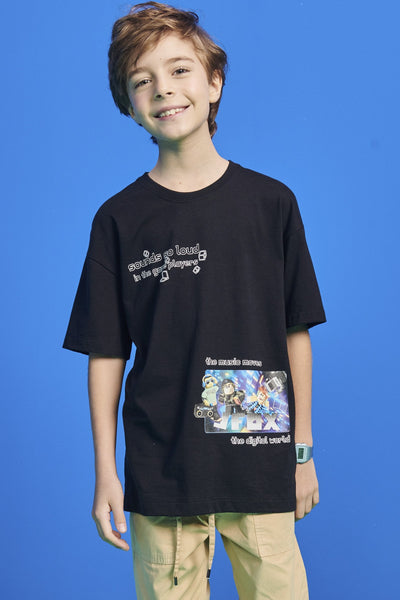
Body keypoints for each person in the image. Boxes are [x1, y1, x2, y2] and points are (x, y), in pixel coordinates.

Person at [63, 2, 326, 598]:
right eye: (142, 80)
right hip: (162, 464)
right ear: (130, 105)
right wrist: (106, 471)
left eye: (180, 70)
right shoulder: (118, 219)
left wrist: (302, 452)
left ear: (214, 83)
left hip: (257, 458)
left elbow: (294, 331)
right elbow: (106, 352)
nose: (163, 89)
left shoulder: (270, 204)